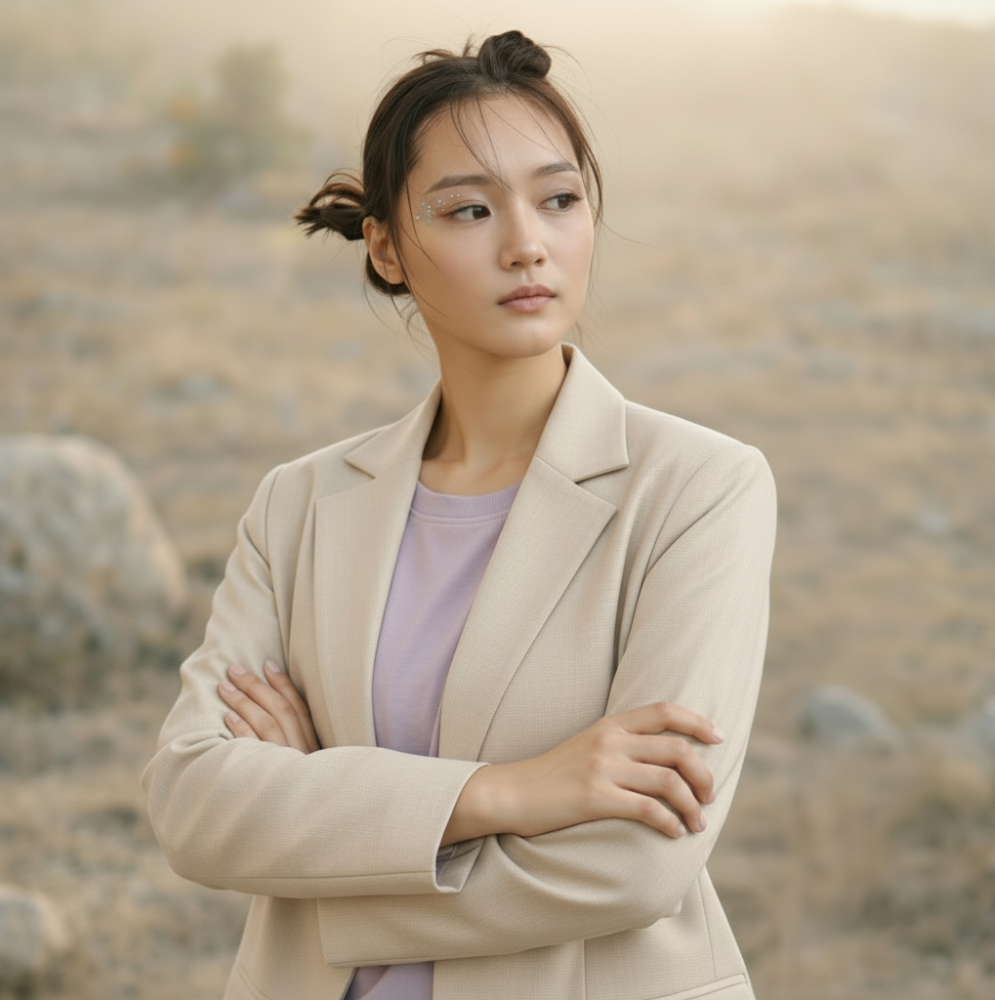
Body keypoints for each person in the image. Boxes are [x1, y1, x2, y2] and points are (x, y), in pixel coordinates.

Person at [142, 29, 776, 1000]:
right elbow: (191, 799)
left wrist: (325, 827)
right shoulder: (302, 503)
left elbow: (636, 862)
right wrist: (510, 790)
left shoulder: (699, 487)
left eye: (559, 199)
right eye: (470, 209)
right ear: (388, 248)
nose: (527, 242)